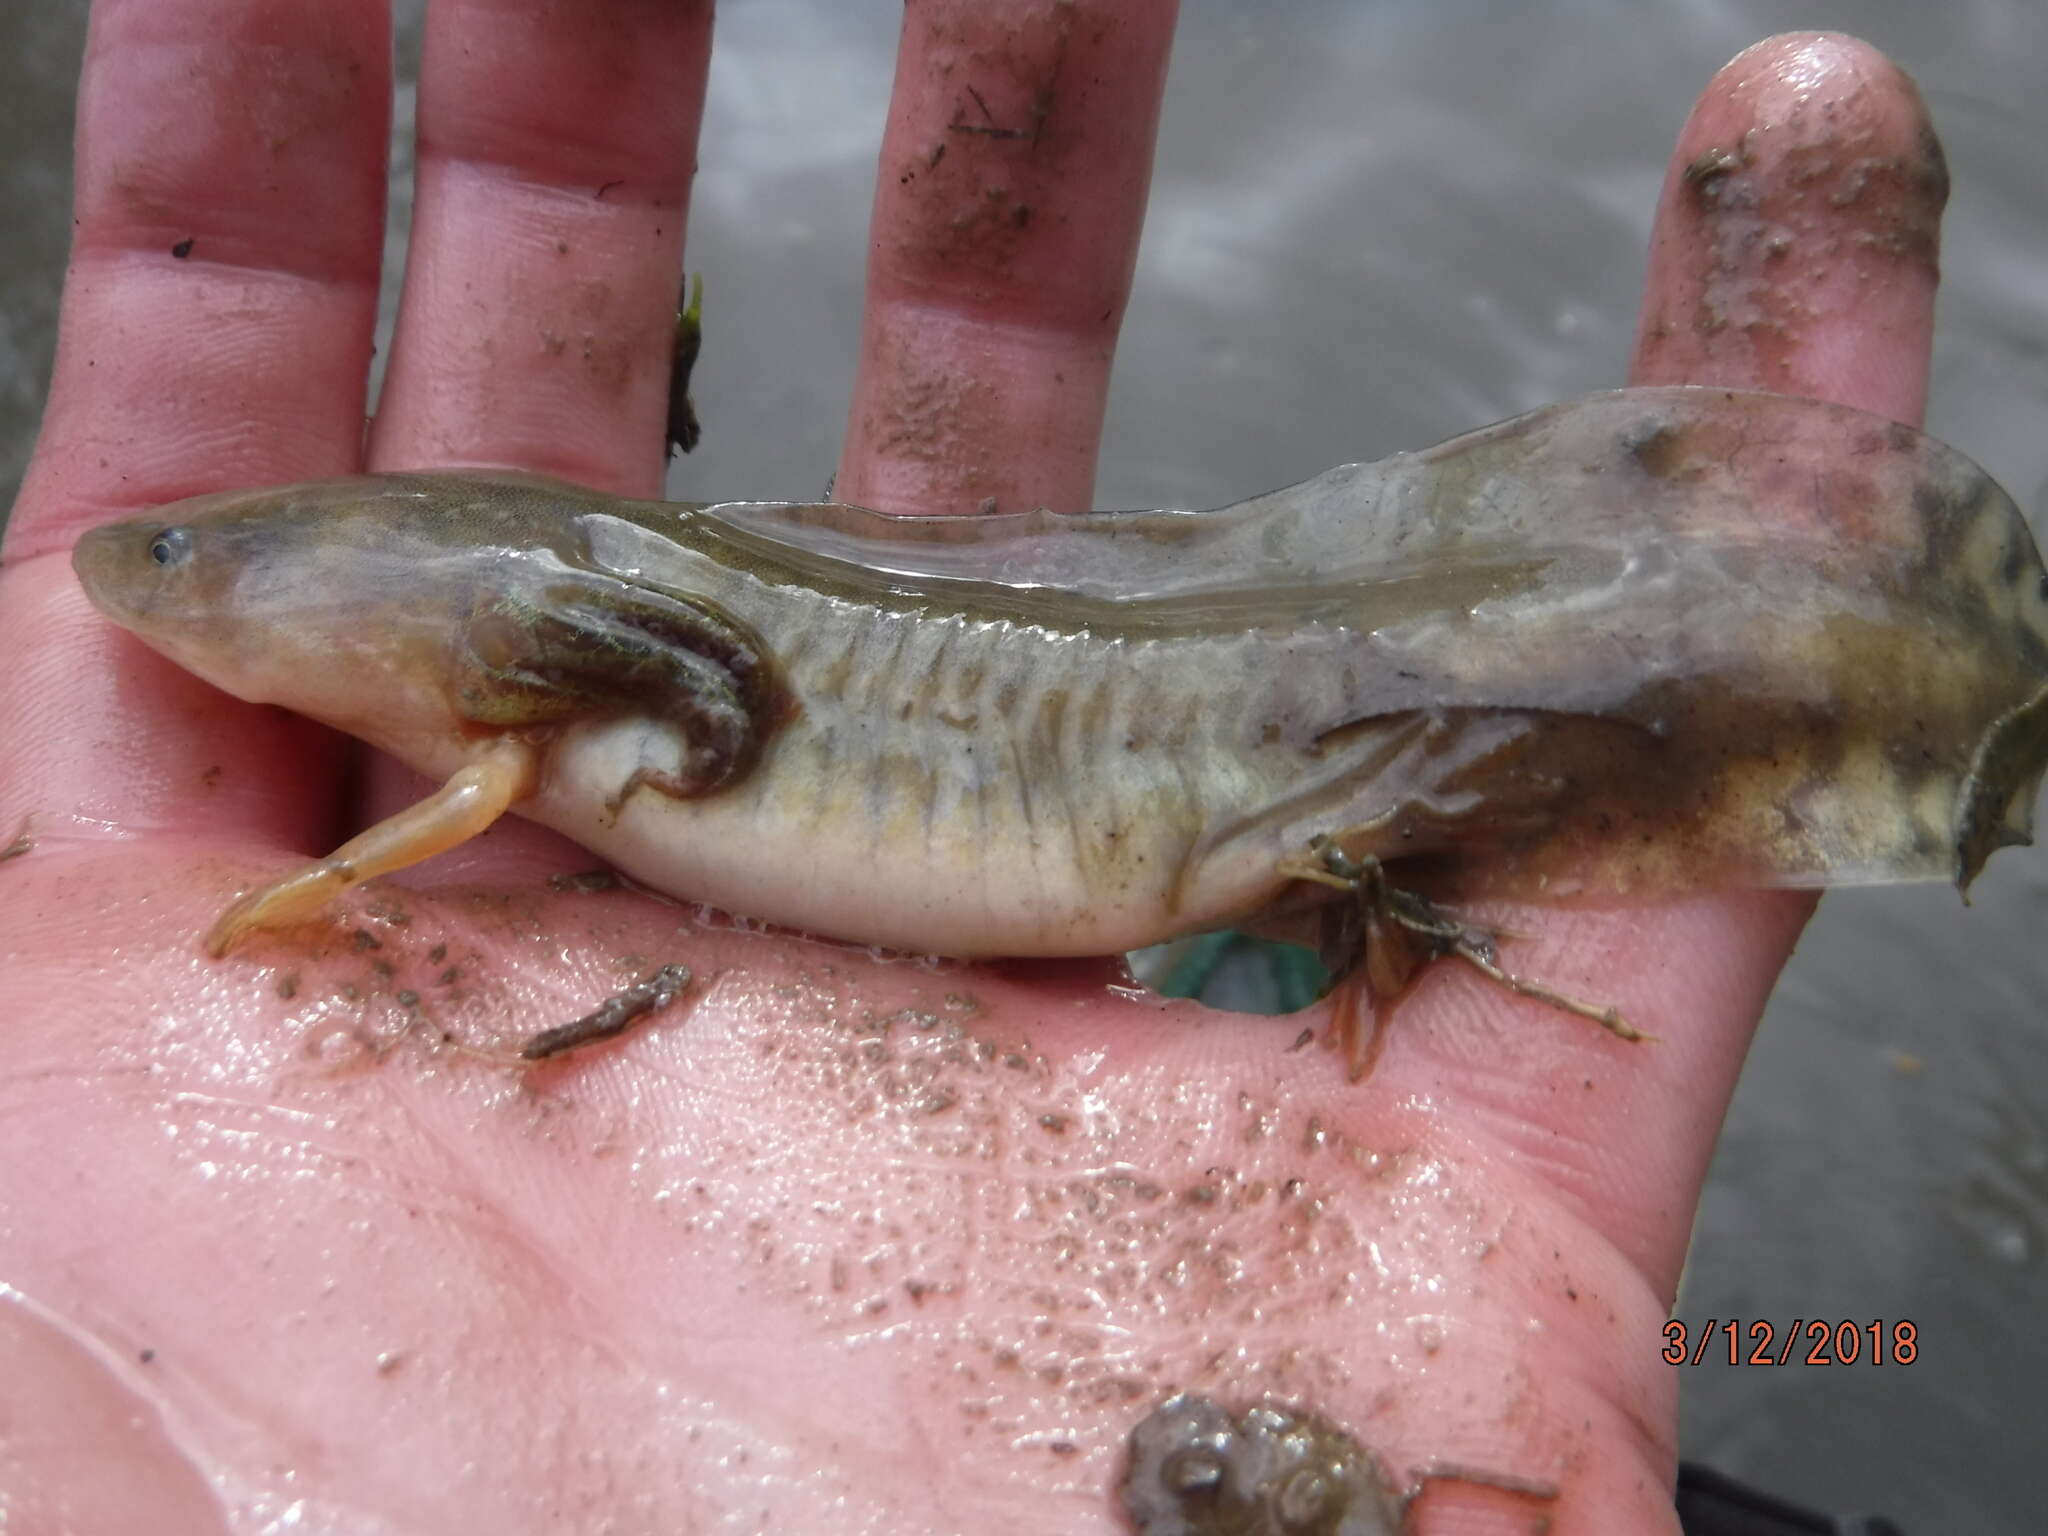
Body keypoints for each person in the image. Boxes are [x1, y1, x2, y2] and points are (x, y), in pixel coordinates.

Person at [0, 3, 1946, 1530]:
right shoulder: (504, 686)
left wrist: (296, 904)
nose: (158, 584)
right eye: (194, 555)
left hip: (1215, 773)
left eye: (202, 566)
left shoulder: (499, 708)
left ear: (413, 612)